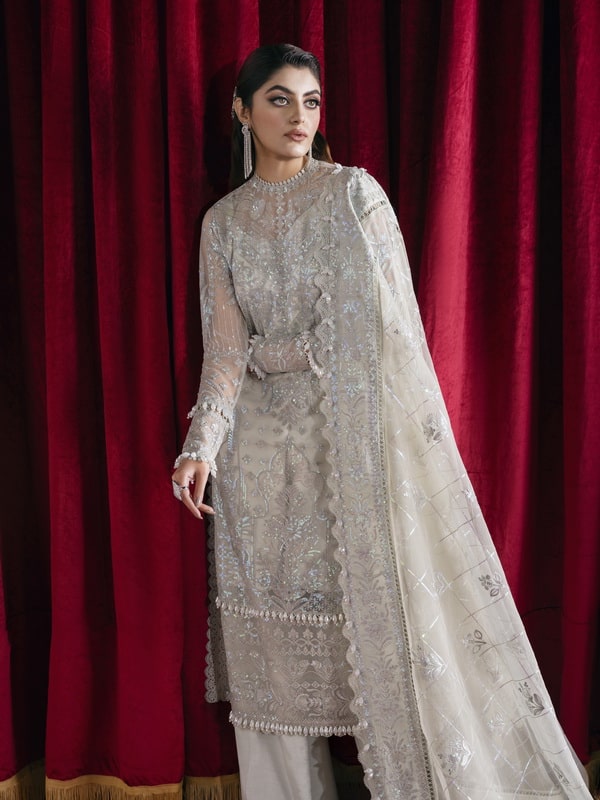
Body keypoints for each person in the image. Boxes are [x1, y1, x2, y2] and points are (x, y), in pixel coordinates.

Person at [172, 43, 591, 800]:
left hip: (351, 452)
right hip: (257, 467)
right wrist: (201, 446)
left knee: (386, 643)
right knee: (272, 670)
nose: (298, 117)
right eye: (278, 99)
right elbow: (225, 350)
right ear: (242, 111)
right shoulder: (223, 225)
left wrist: (290, 352)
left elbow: (388, 331)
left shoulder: (352, 197)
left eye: (310, 101)